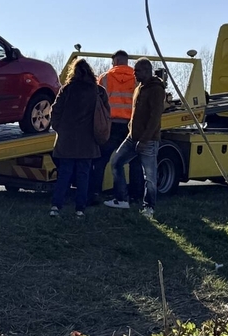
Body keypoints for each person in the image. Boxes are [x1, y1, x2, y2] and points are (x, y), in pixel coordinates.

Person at [104, 58, 165, 218]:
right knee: (116, 162)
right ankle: (122, 199)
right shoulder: (139, 88)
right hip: (132, 137)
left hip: (148, 140)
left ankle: (149, 207)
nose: (134, 73)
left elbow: (155, 118)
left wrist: (144, 140)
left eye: (137, 71)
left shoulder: (156, 90)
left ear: (146, 71)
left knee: (149, 176)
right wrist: (132, 130)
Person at [48, 59, 108, 218]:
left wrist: (59, 128)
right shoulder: (98, 91)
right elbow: (106, 113)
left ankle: (56, 206)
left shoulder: (67, 89)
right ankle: (80, 209)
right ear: (90, 72)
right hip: (88, 142)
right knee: (84, 176)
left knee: (64, 175)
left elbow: (55, 111)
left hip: (66, 141)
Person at [89, 50, 144, 205]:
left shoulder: (105, 78)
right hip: (130, 126)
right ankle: (135, 196)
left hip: (110, 125)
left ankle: (95, 193)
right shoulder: (137, 79)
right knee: (134, 161)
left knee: (101, 160)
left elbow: (97, 102)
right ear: (126, 62)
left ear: (114, 61)